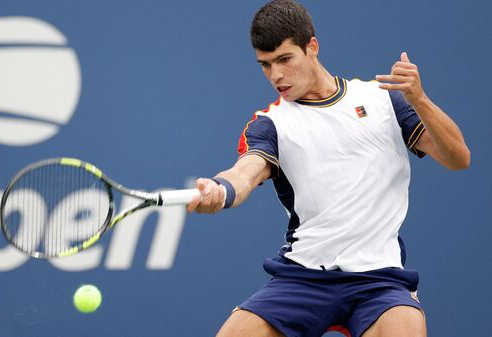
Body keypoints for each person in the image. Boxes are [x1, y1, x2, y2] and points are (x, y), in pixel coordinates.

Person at [186, 1, 470, 336]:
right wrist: (221, 191)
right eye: (265, 65)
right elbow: (244, 173)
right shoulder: (271, 124)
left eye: (284, 59)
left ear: (312, 47)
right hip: (303, 277)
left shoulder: (383, 101)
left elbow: (458, 158)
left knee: (407, 327)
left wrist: (419, 99)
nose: (275, 75)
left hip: (379, 280)